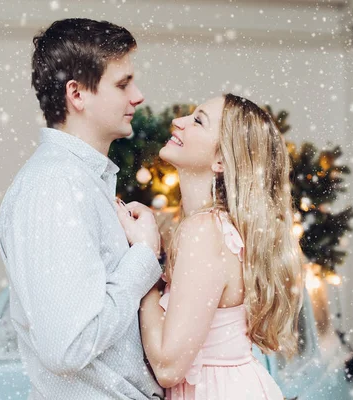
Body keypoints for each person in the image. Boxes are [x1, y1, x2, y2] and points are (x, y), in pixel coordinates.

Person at [0, 18, 165, 399]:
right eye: (123, 84)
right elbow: (68, 346)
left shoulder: (80, 181)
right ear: (77, 94)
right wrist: (143, 257)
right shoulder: (55, 187)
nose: (137, 96)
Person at [116, 94, 304, 399]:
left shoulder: (204, 232)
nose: (179, 122)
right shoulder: (207, 227)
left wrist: (145, 256)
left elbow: (167, 367)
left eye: (198, 120)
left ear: (221, 160)